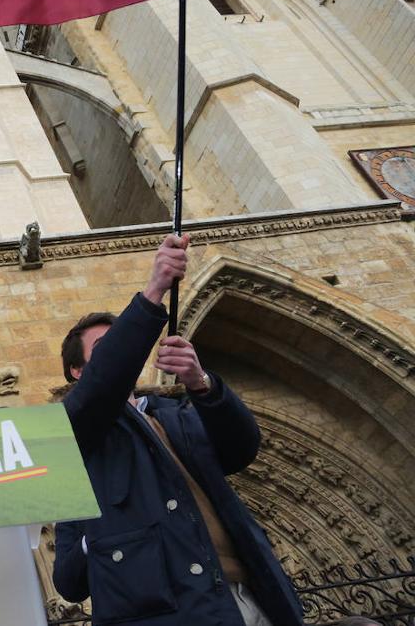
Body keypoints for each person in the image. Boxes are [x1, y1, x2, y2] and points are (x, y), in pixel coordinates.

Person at [52, 234, 303, 626]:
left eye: (124, 340)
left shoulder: (175, 412)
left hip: (246, 600)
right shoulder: (73, 434)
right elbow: (68, 580)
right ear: (77, 371)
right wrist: (154, 290)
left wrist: (201, 382)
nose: (123, 350)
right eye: (108, 345)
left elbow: (242, 449)